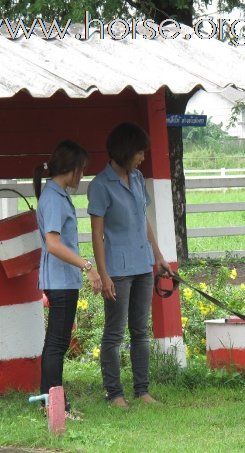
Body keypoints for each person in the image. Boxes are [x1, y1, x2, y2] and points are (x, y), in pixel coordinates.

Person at [87, 122, 170, 407]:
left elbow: (143, 220)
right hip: (117, 270)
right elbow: (97, 234)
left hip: (142, 264)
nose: (142, 157)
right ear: (124, 151)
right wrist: (103, 273)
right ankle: (114, 394)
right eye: (139, 152)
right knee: (114, 332)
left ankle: (142, 390)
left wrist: (158, 256)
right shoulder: (100, 185)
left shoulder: (136, 178)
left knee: (140, 331)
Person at [34, 140, 102, 417]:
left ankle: (49, 403)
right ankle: (54, 406)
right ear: (72, 169)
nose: (82, 175)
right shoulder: (52, 197)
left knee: (56, 343)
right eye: (82, 169)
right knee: (57, 344)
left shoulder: (57, 194)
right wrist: (88, 266)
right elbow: (53, 244)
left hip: (64, 279)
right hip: (60, 281)